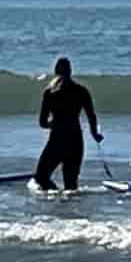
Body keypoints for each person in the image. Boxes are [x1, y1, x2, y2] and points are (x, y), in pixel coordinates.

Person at [34, 57, 104, 192]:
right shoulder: (81, 91)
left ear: (55, 71)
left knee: (41, 177)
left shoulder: (50, 92)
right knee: (71, 185)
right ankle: (70, 209)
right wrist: (95, 134)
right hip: (75, 140)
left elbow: (42, 122)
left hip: (57, 140)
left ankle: (57, 199)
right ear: (70, 71)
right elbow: (91, 116)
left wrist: (52, 124)